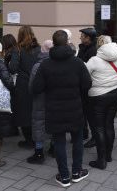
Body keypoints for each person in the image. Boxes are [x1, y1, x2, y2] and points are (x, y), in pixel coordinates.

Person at [32, 30, 91, 187]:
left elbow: (36, 88)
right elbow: (87, 84)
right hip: (75, 108)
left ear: (53, 42)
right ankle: (77, 172)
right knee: (77, 140)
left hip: (54, 109)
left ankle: (64, 177)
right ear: (67, 42)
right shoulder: (77, 62)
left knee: (59, 142)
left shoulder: (45, 64)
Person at [86, 36, 117, 169]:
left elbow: (85, 75)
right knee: (109, 124)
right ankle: (108, 155)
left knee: (99, 127)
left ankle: (101, 161)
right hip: (115, 92)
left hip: (98, 96)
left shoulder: (94, 60)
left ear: (99, 45)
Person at [11, 26, 41, 148]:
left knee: (24, 113)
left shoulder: (17, 49)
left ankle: (29, 140)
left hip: (23, 84)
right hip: (37, 82)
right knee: (36, 112)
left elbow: (13, 68)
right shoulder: (39, 49)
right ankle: (37, 140)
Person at [27, 40, 54, 164]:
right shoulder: (57, 63)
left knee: (38, 124)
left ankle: (39, 152)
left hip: (39, 100)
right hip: (54, 100)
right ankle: (53, 147)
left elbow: (31, 86)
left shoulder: (38, 66)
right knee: (54, 123)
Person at [77, 27, 97, 148]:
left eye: (82, 36)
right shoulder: (83, 47)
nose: (80, 37)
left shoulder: (92, 51)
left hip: (88, 86)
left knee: (90, 113)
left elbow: (87, 70)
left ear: (88, 38)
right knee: (83, 111)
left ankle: (95, 137)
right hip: (82, 85)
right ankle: (84, 132)